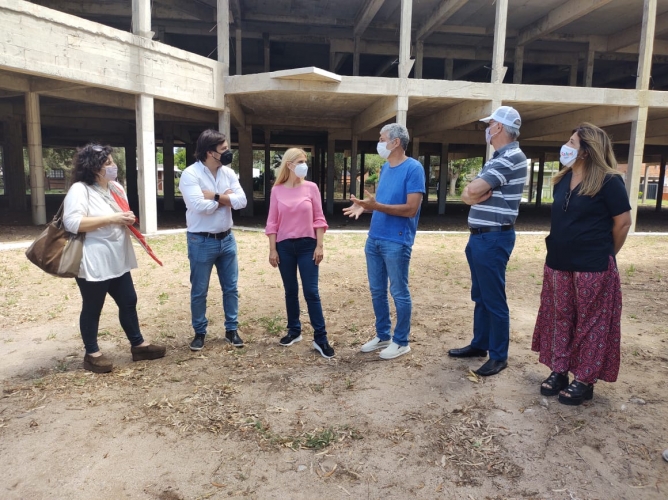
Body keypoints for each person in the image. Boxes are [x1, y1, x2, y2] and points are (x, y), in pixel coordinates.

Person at [531, 123, 631, 406]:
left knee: (592, 323)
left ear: (587, 151)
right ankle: (559, 370)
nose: (566, 146)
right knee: (559, 317)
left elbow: (623, 223)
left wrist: (606, 254)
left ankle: (584, 380)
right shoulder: (564, 179)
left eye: (572, 142)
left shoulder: (610, 181)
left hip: (593, 266)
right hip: (558, 262)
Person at [63, 144, 166, 373]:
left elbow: (121, 216)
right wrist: (112, 219)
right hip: (93, 259)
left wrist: (126, 219)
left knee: (129, 301)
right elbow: (73, 223)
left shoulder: (116, 188)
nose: (113, 166)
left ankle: (138, 345)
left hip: (118, 258)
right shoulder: (80, 190)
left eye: (111, 161)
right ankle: (92, 354)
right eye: (107, 163)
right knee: (93, 307)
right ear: (94, 168)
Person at [448, 106, 527, 376]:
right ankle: (480, 344)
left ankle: (498, 355)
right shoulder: (498, 158)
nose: (487, 128)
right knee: (481, 295)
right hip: (482, 237)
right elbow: (467, 194)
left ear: (500, 128)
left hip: (492, 237)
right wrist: (471, 193)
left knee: (493, 298)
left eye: (490, 123)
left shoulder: (509, 158)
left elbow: (471, 191)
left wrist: (472, 193)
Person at [343, 123, 425, 360]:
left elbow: (411, 209)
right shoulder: (385, 168)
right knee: (377, 290)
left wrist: (376, 206)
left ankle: (401, 341)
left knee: (398, 291)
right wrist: (365, 207)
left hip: (397, 241)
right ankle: (383, 335)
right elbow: (381, 201)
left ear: (395, 142)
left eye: (382, 139)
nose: (379, 143)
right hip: (375, 238)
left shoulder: (414, 169)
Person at [179, 129, 248, 351]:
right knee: (199, 290)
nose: (228, 153)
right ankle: (199, 332)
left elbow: (243, 201)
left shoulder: (228, 173)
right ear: (210, 153)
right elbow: (199, 206)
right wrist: (226, 199)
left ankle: (231, 330)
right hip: (201, 241)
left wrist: (216, 196)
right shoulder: (190, 175)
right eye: (224, 149)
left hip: (227, 239)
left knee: (231, 288)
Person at [265, 148, 334, 359]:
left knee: (311, 292)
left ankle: (320, 338)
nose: (305, 164)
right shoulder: (277, 190)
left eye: (306, 161)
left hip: (307, 246)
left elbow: (319, 219)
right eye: (301, 161)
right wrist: (272, 249)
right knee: (290, 290)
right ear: (290, 165)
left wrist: (319, 245)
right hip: (285, 247)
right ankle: (294, 330)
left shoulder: (311, 188)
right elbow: (272, 222)